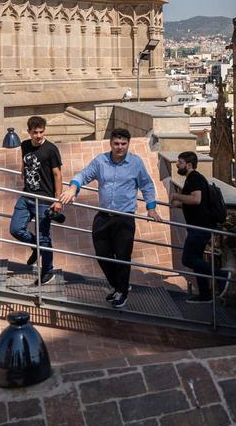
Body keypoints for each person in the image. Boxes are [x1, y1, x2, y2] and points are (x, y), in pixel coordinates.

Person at [59, 128, 161, 310]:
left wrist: (151, 208)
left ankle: (122, 291)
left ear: (128, 144)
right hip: (103, 216)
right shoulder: (101, 161)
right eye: (116, 143)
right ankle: (120, 285)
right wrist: (73, 188)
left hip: (124, 218)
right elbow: (83, 175)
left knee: (122, 257)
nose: (119, 147)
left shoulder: (136, 163)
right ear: (110, 144)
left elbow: (147, 185)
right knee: (102, 255)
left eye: (123, 144)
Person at [167, 151, 228, 303]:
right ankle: (205, 294)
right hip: (199, 226)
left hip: (200, 227)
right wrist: (180, 204)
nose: (177, 165)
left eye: (180, 163)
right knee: (196, 259)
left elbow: (196, 199)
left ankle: (221, 275)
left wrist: (176, 196)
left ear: (188, 165)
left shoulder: (194, 178)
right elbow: (196, 203)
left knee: (188, 259)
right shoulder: (194, 178)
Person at [9, 116, 63, 286]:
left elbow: (57, 175)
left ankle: (48, 271)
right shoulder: (25, 145)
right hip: (27, 196)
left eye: (41, 132)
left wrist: (57, 200)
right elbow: (24, 162)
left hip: (44, 200)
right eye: (35, 133)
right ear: (29, 132)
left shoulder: (51, 149)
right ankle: (36, 246)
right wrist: (22, 172)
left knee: (44, 237)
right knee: (16, 229)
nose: (38, 136)